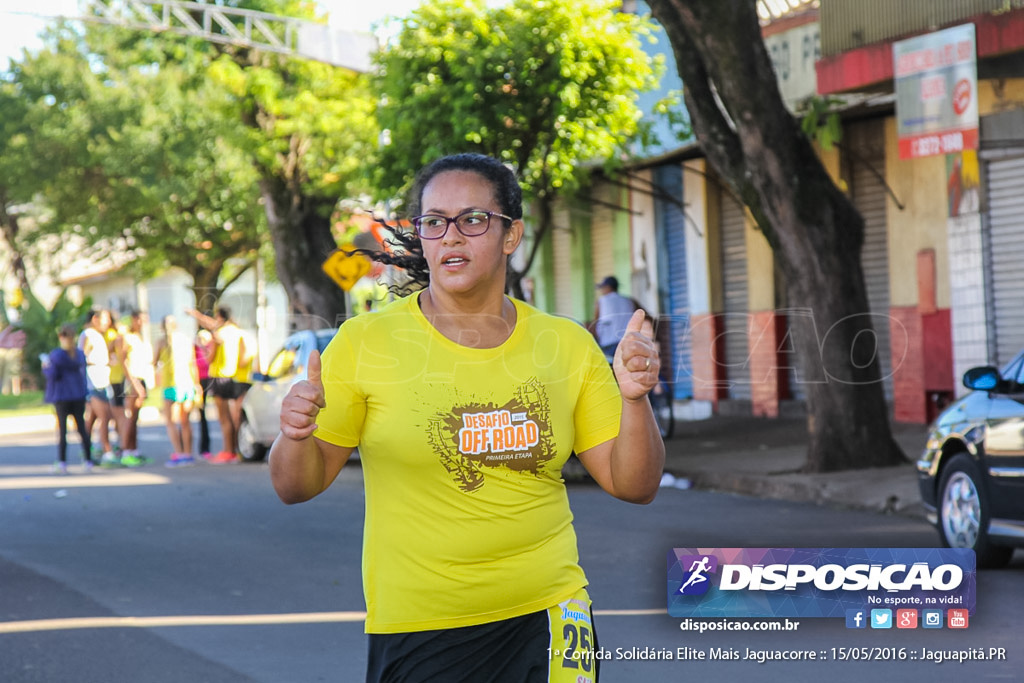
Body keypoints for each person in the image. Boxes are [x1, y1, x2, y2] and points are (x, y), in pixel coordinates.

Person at [270, 153, 665, 682]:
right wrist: (295, 433)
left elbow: (633, 484)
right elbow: (296, 485)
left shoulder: (565, 344)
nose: (451, 236)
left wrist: (635, 399)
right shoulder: (366, 343)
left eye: (473, 219)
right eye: (434, 222)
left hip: (551, 612)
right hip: (420, 626)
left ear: (510, 235)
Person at [186, 306, 247, 464]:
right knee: (235, 418)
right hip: (233, 377)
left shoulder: (218, 334)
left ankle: (228, 451)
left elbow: (210, 359)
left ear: (219, 317)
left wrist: (208, 353)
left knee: (224, 418)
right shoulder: (237, 331)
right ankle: (236, 450)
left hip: (219, 377)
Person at [42, 324, 94, 474]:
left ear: (61, 337)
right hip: (77, 395)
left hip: (62, 396)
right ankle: (88, 460)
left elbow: (52, 374)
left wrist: (45, 366)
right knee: (81, 429)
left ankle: (63, 462)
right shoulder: (78, 354)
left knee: (63, 430)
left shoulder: (56, 355)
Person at [154, 315, 200, 466]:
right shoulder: (185, 340)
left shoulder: (161, 342)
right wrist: (197, 384)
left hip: (170, 385)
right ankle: (187, 453)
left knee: (171, 421)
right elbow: (193, 364)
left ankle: (179, 453)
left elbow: (154, 362)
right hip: (187, 383)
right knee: (185, 421)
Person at [78, 309, 118, 466]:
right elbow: (81, 358)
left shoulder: (98, 335)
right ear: (95, 319)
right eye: (105, 319)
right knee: (105, 417)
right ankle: (107, 452)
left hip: (101, 381)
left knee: (92, 420)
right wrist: (98, 363)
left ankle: (87, 451)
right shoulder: (88, 334)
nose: (108, 322)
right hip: (93, 383)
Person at [116, 310, 154, 466]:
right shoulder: (127, 337)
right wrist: (134, 383)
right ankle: (125, 451)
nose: (142, 323)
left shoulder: (141, 338)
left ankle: (134, 450)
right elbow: (123, 361)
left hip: (142, 378)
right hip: (132, 380)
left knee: (136, 418)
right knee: (129, 417)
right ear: (133, 319)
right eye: (140, 320)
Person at [592, 275, 639, 360]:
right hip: (627, 343)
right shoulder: (629, 301)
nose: (602, 291)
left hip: (608, 344)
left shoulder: (601, 301)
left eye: (603, 288)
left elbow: (594, 323)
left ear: (608, 287)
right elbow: (645, 315)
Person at [193, 329, 214, 459]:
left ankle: (206, 447)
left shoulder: (211, 348)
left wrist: (205, 348)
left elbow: (208, 361)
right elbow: (193, 366)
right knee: (201, 414)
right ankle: (202, 448)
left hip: (210, 380)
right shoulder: (194, 349)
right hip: (198, 381)